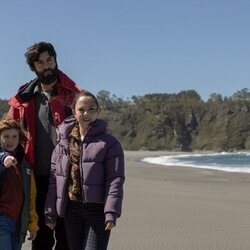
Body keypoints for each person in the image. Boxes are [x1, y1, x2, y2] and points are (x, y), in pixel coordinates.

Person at [7, 41, 82, 250]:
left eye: (49, 60)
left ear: (55, 60)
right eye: (40, 63)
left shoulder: (74, 95)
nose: (46, 65)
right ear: (34, 67)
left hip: (68, 176)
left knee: (68, 237)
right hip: (35, 177)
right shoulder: (22, 101)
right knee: (40, 237)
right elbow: (7, 135)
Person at [44, 91, 125, 250]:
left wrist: (111, 212)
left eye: (91, 109)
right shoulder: (62, 144)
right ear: (74, 111)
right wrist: (50, 212)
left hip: (97, 210)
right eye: (81, 109)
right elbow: (54, 180)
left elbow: (115, 180)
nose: (86, 113)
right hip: (71, 210)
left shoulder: (109, 143)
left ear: (98, 111)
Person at [0, 119, 39, 250]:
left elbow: (31, 196)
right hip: (2, 220)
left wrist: (32, 224)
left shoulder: (25, 164)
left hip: (19, 222)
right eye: (6, 136)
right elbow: (2, 158)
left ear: (19, 138)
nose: (10, 140)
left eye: (14, 136)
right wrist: (5, 159)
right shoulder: (3, 158)